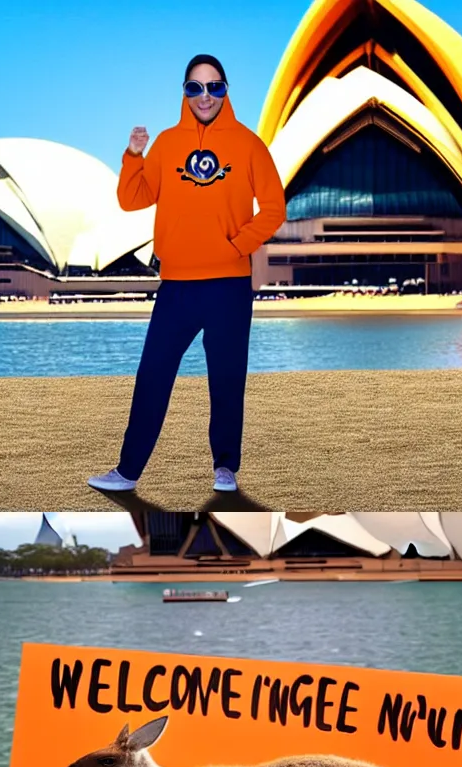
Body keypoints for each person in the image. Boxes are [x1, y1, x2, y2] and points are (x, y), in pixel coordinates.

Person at [88, 54, 287, 498]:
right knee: (153, 375)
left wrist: (237, 246)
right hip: (176, 286)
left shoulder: (249, 144)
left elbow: (275, 209)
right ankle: (128, 470)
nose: (205, 96)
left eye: (214, 87)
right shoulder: (166, 143)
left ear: (226, 90)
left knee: (227, 378)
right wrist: (133, 156)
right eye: (195, 88)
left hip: (229, 287)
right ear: (184, 92)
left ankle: (225, 467)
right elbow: (132, 199)